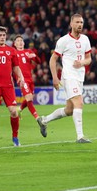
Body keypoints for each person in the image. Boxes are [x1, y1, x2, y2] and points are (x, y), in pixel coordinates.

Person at [37, 14, 92, 143]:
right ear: (71, 24)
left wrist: (82, 62)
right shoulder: (63, 40)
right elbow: (53, 59)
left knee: (69, 110)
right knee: (79, 102)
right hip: (68, 76)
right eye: (77, 22)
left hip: (80, 77)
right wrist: (55, 78)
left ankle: (44, 120)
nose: (80, 25)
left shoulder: (85, 39)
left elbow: (89, 59)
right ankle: (80, 136)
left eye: (82, 22)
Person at [13, 35, 43, 129]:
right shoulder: (13, 54)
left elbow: (39, 62)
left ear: (24, 43)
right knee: (29, 98)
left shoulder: (28, 52)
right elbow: (12, 68)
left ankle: (19, 109)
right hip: (22, 79)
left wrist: (35, 56)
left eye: (21, 40)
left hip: (30, 79)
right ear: (15, 44)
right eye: (18, 40)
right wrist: (17, 78)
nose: (20, 42)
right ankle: (37, 118)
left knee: (30, 98)